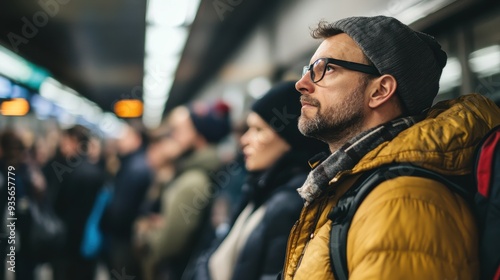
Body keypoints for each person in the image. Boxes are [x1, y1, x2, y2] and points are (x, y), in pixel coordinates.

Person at [281, 15, 500, 279]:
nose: (302, 83)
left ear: (380, 91)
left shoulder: (402, 200)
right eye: (308, 69)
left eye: (326, 69)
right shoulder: (350, 185)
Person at [196, 81, 328, 280]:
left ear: (290, 140)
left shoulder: (291, 205)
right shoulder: (261, 189)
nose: (244, 140)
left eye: (258, 130)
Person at [135, 100, 232, 280]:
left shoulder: (193, 181)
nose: (175, 136)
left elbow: (166, 245)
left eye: (182, 130)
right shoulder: (192, 172)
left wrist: (146, 231)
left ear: (199, 137)